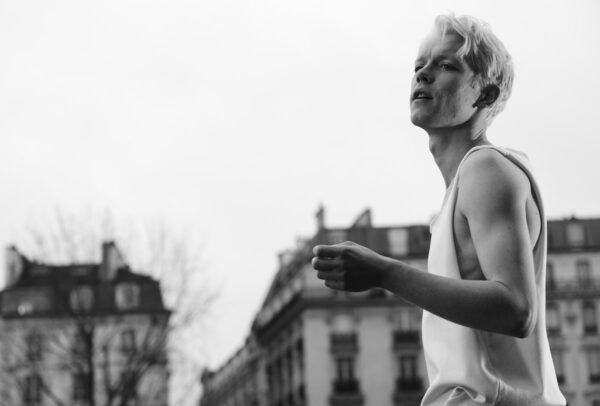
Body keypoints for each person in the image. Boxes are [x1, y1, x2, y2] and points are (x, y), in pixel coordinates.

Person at [312, 14, 566, 406]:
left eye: (446, 65)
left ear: (485, 95)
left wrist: (384, 272)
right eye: (419, 65)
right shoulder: (470, 180)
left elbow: (516, 309)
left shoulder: (485, 168)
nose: (423, 74)